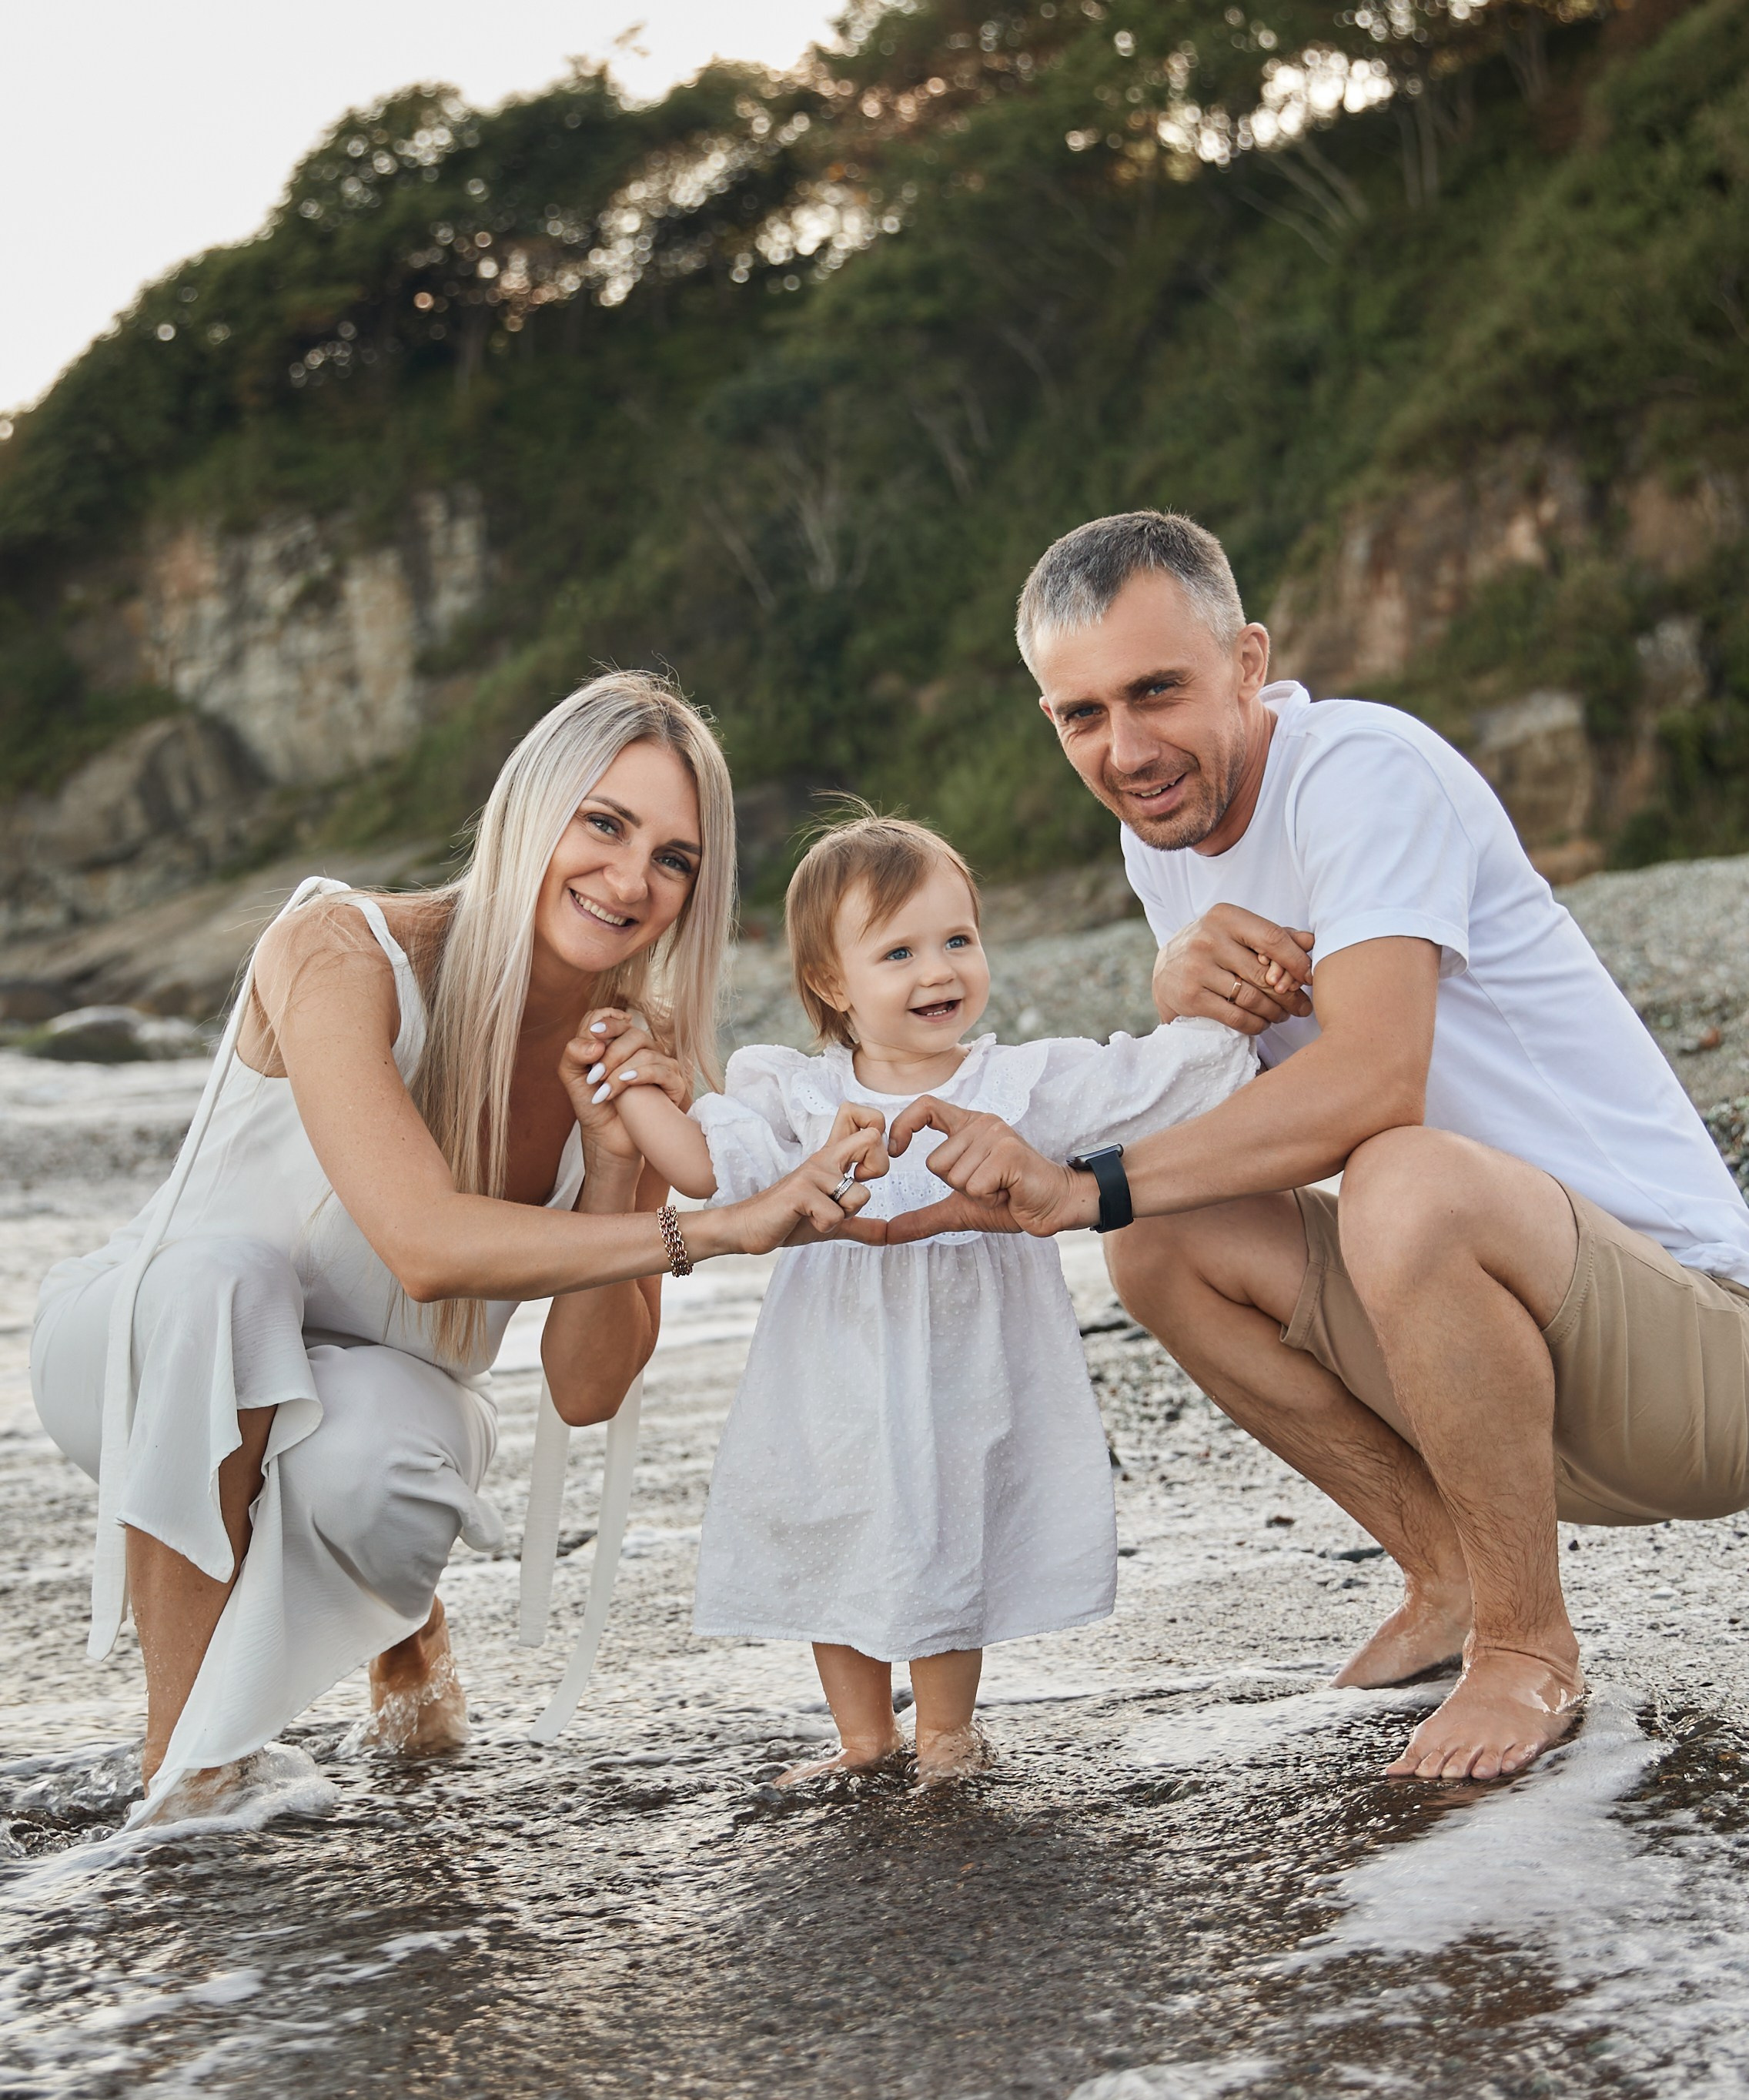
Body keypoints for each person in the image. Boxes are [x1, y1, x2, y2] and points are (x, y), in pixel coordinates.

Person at [881, 510, 1749, 1785]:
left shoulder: (1363, 772)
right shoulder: (1158, 834)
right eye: (1079, 715)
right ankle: (1445, 1569)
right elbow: (1229, 1120)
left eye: (1155, 690)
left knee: (1396, 1170)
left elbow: (1368, 1082)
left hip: (1690, 1356)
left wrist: (1087, 1184)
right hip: (1493, 1377)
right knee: (1162, 1244)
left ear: (1246, 662)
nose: (1125, 748)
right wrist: (1174, 992)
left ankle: (1524, 1643)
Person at [30, 673, 885, 1822]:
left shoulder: (632, 1053)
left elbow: (586, 1388)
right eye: (604, 823)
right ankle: (183, 1769)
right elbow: (424, 1246)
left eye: (675, 858)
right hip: (140, 1356)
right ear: (533, 807)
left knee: (383, 1474)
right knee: (220, 1283)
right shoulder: (339, 948)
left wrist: (615, 1156)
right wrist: (719, 1226)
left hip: (378, 1390)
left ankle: (393, 1611)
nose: (632, 881)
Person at [594, 809, 1251, 1785]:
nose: (938, 972)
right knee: (833, 1529)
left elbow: (1152, 1085)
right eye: (898, 952)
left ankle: (946, 1732)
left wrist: (1213, 1001)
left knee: (950, 1527)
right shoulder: (797, 1098)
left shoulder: (1020, 1085)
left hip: (968, 1369)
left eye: (957, 941)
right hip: (831, 1376)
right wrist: (635, 1081)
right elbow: (708, 1168)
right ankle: (861, 1738)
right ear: (830, 982)